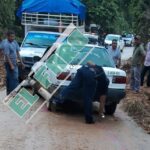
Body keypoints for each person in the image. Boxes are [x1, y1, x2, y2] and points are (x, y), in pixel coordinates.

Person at [3, 31, 24, 95]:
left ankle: (13, 92)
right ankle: (11, 92)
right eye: (11, 36)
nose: (13, 38)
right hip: (8, 63)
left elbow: (17, 53)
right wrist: (11, 65)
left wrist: (21, 62)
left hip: (15, 62)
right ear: (8, 36)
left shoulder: (14, 42)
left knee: (15, 77)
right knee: (11, 78)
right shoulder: (6, 44)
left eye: (13, 36)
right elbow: (7, 56)